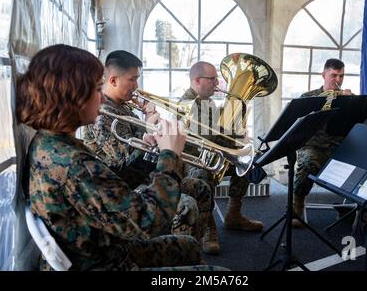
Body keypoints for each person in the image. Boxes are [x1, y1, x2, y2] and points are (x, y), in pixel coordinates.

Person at [16, 44, 221, 271]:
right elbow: (150, 221)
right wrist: (170, 155)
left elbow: (115, 181)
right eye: (96, 89)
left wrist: (146, 151)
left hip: (105, 248)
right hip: (107, 262)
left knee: (189, 247)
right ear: (72, 95)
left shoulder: (53, 143)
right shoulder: (73, 163)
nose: (102, 99)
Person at [83, 50, 212, 242]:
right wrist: (152, 132)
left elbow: (141, 141)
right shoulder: (104, 116)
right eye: (132, 80)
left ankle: (197, 243)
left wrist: (151, 128)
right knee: (186, 205)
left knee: (200, 188)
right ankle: (175, 254)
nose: (136, 86)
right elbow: (123, 164)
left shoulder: (124, 106)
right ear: (113, 81)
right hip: (125, 186)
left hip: (145, 177)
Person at [180, 61, 264, 255]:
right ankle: (208, 225)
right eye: (213, 79)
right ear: (197, 80)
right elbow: (210, 135)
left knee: (245, 163)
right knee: (201, 175)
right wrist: (235, 137)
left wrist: (238, 110)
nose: (217, 83)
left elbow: (220, 125)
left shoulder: (206, 100)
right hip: (191, 159)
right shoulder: (187, 103)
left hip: (211, 153)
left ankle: (233, 214)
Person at [293, 58, 352, 227]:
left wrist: (351, 103)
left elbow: (359, 123)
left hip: (340, 146)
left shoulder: (350, 97)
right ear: (324, 75)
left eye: (341, 76)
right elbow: (297, 126)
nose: (338, 80)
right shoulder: (308, 97)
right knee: (307, 162)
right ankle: (298, 203)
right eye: (334, 75)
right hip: (314, 146)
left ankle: (357, 208)